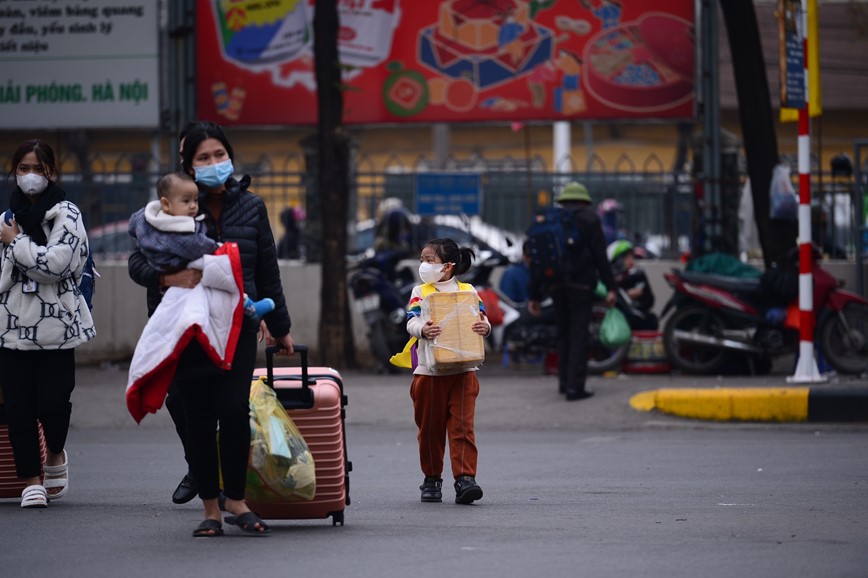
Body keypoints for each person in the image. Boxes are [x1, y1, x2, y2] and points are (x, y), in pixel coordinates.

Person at [128, 122, 294, 537]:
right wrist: (167, 279)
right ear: (188, 165)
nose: (214, 164)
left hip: (239, 322)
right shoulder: (173, 206)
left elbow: (266, 267)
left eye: (220, 155)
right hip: (185, 330)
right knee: (198, 416)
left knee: (234, 409)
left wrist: (280, 325)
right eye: (203, 158)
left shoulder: (252, 207)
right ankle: (210, 509)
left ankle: (236, 500)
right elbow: (137, 264)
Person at [0, 139, 96, 508]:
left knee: (54, 403)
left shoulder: (67, 214)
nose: (30, 176)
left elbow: (56, 266)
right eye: (23, 169)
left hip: (56, 326)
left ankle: (55, 452)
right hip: (10, 326)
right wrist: (21, 250)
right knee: (18, 407)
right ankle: (29, 480)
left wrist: (16, 244)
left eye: (38, 169)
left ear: (52, 173)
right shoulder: (6, 219)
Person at [405, 237, 491, 505]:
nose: (423, 265)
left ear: (448, 266)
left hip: (464, 371)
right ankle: (432, 479)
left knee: (463, 427)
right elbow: (411, 321)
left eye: (429, 260)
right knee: (429, 428)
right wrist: (423, 329)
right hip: (429, 373)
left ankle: (465, 479)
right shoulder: (420, 292)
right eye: (422, 260)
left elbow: (481, 319)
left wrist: (484, 327)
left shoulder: (469, 291)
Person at [528, 182, 616, 401]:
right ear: (584, 202)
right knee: (579, 335)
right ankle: (575, 388)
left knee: (563, 333)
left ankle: (564, 382)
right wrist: (611, 287)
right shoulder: (589, 219)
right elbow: (600, 256)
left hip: (555, 285)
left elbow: (536, 261)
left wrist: (535, 295)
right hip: (581, 286)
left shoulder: (551, 220)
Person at [607, 240, 658, 331]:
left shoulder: (638, 275)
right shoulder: (611, 280)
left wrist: (639, 294)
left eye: (632, 256)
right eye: (626, 257)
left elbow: (649, 301)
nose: (631, 260)